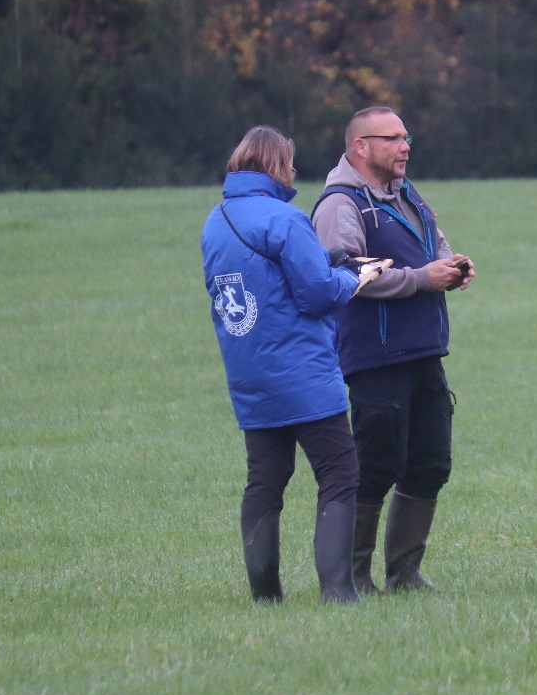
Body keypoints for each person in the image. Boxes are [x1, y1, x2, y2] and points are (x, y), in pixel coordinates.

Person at [202, 125, 383, 604]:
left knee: (265, 480)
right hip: (302, 372)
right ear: (277, 164)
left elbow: (260, 281)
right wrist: (353, 277)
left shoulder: (215, 221)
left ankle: (265, 597)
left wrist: (327, 260)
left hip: (249, 374)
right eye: (290, 161)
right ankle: (339, 592)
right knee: (340, 473)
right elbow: (318, 294)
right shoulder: (284, 218)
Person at [312, 106, 474, 593]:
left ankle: (404, 575)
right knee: (376, 466)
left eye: (407, 137)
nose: (406, 147)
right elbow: (346, 275)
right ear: (361, 147)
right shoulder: (340, 205)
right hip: (376, 357)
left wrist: (451, 263)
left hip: (424, 351)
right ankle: (355, 578)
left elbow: (434, 242)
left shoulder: (405, 194)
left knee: (430, 462)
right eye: (393, 139)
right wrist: (424, 279)